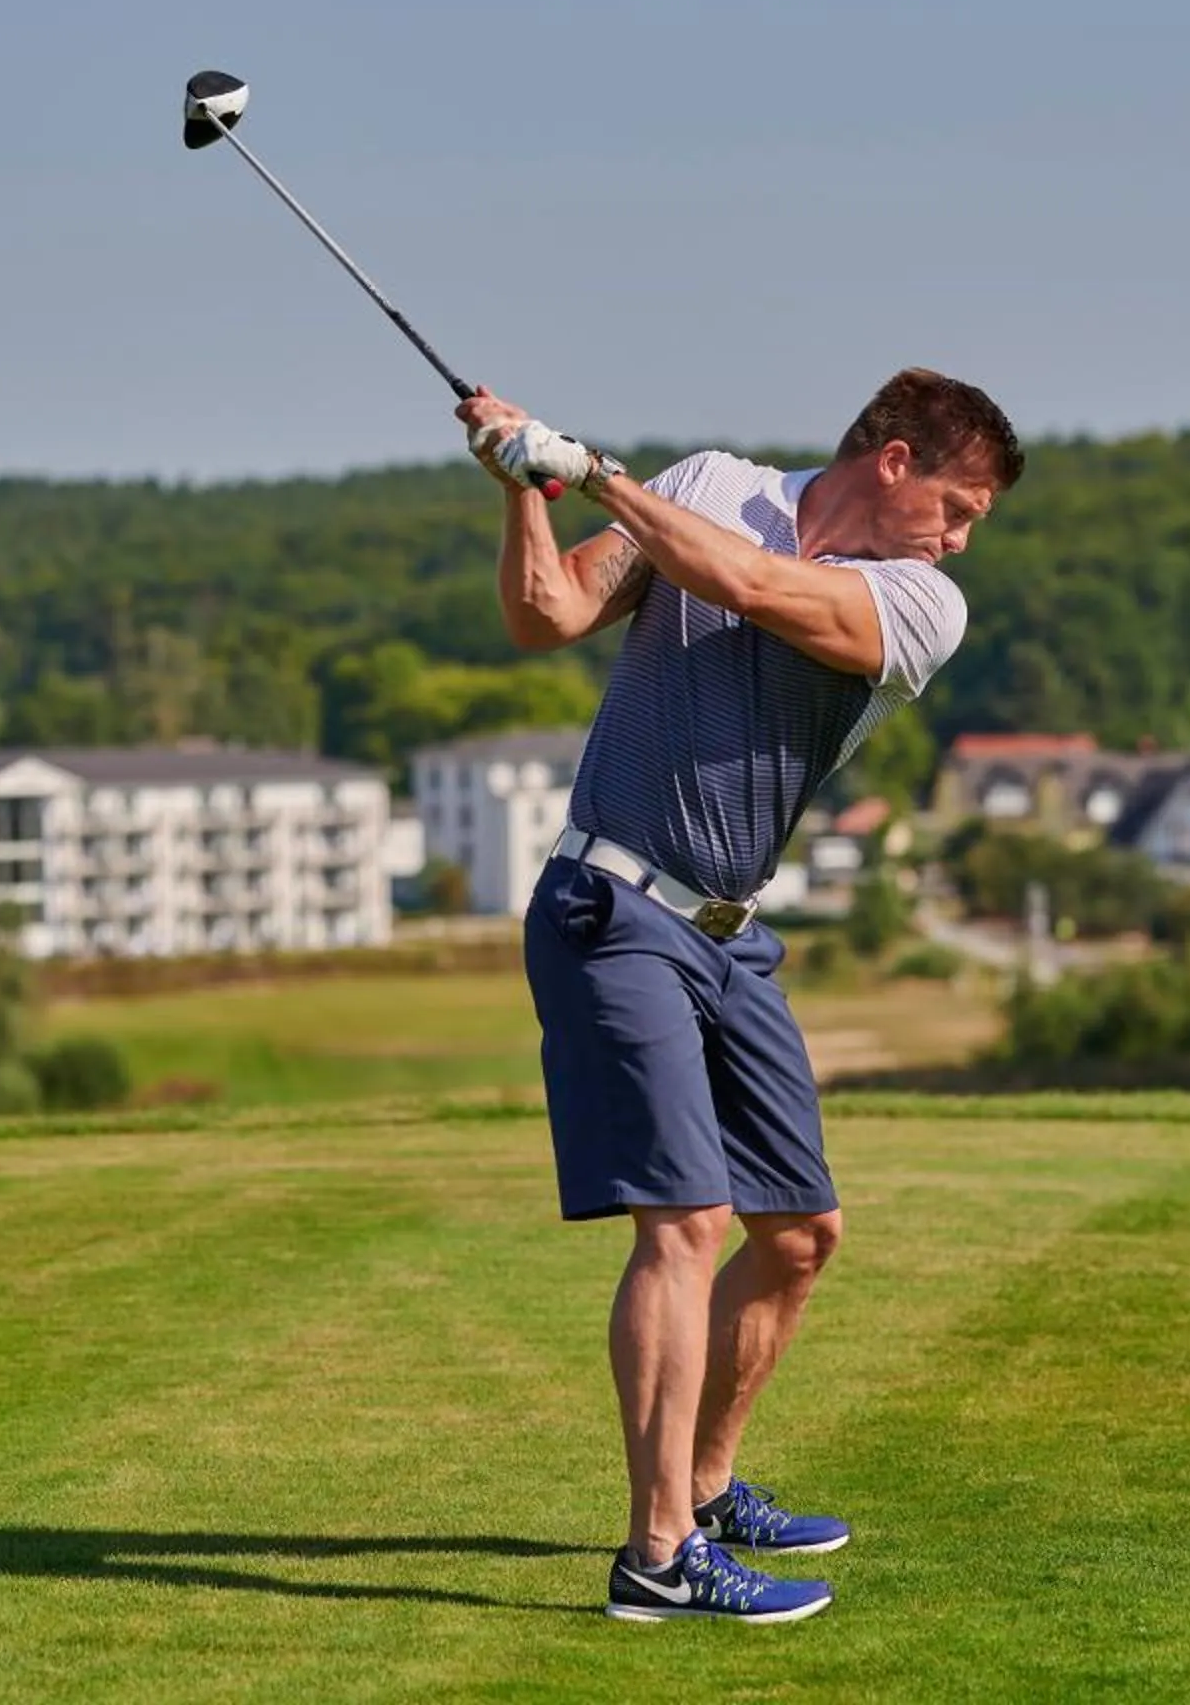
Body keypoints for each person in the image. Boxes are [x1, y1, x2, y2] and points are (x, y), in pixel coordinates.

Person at [454, 368, 1021, 1625]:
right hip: (613, 907)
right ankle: (659, 1558)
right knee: (687, 1222)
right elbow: (547, 615)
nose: (963, 536)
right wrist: (524, 490)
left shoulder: (922, 602)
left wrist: (592, 468)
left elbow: (753, 588)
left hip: (729, 934)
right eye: (960, 502)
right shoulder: (709, 485)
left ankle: (705, 1489)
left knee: (800, 1229)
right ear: (894, 459)